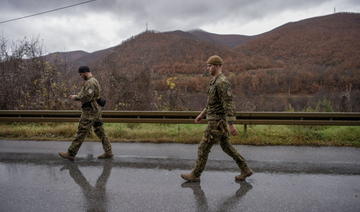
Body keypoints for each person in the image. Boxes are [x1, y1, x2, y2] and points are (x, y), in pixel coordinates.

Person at [181, 55, 253, 182]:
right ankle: (245, 169)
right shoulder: (214, 81)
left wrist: (231, 125)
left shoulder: (222, 82)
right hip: (216, 120)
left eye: (210, 66)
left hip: (216, 123)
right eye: (207, 66)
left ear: (217, 66)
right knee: (226, 147)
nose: (208, 68)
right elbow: (212, 104)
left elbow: (228, 104)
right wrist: (202, 115)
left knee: (203, 147)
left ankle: (195, 174)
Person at [59, 66, 113, 161]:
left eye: (80, 74)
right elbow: (86, 94)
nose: (80, 76)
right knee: (100, 131)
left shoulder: (90, 82)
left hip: (90, 111)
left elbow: (87, 97)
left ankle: (71, 153)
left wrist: (76, 98)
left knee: (82, 131)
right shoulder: (93, 81)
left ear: (84, 72)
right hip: (95, 110)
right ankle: (108, 152)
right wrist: (77, 95)